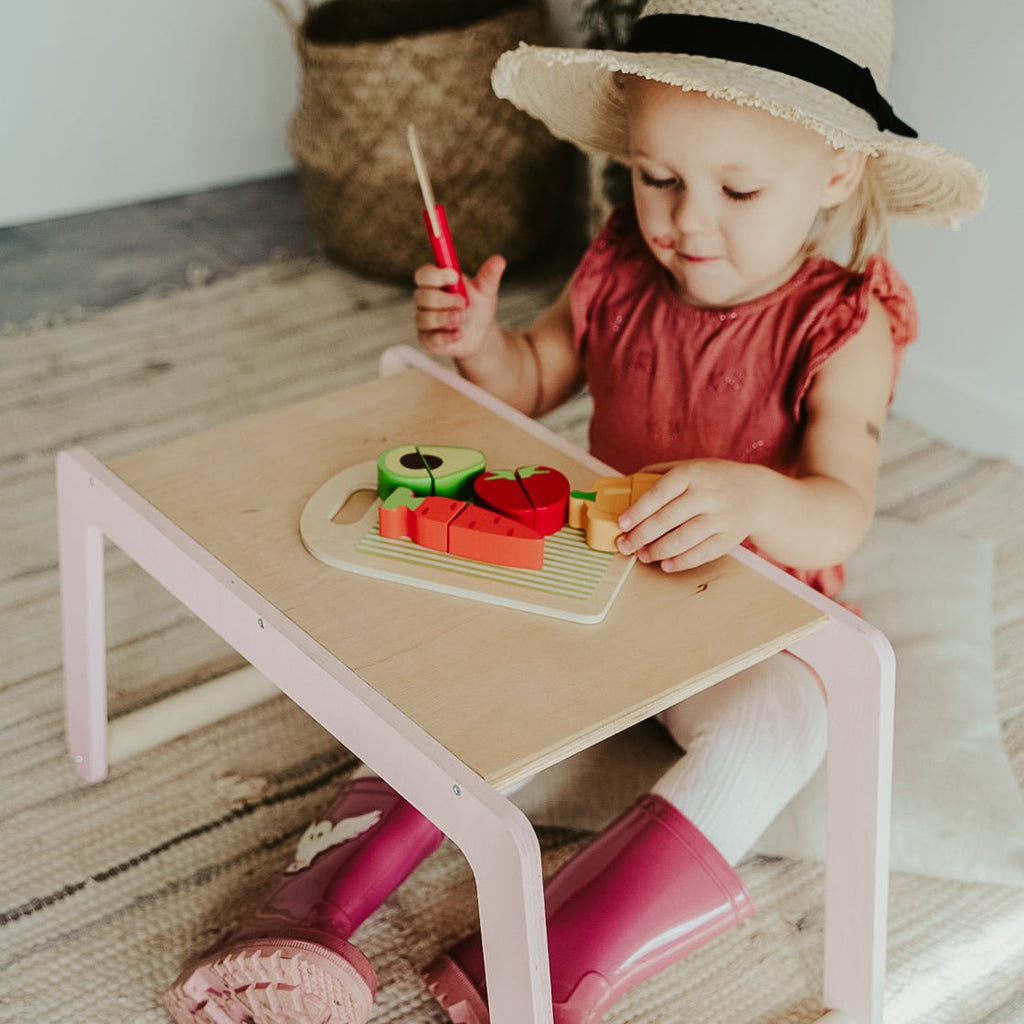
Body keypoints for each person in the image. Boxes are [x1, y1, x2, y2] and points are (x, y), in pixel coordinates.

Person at [164, 2, 985, 1023]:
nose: (686, 220)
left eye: (736, 188)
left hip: (738, 618)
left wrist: (750, 496)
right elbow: (534, 376)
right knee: (461, 674)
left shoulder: (842, 325)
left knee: (792, 717)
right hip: (590, 568)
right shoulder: (619, 268)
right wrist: (478, 344)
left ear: (834, 174)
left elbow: (838, 514)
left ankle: (552, 955)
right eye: (657, 178)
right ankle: (308, 912)